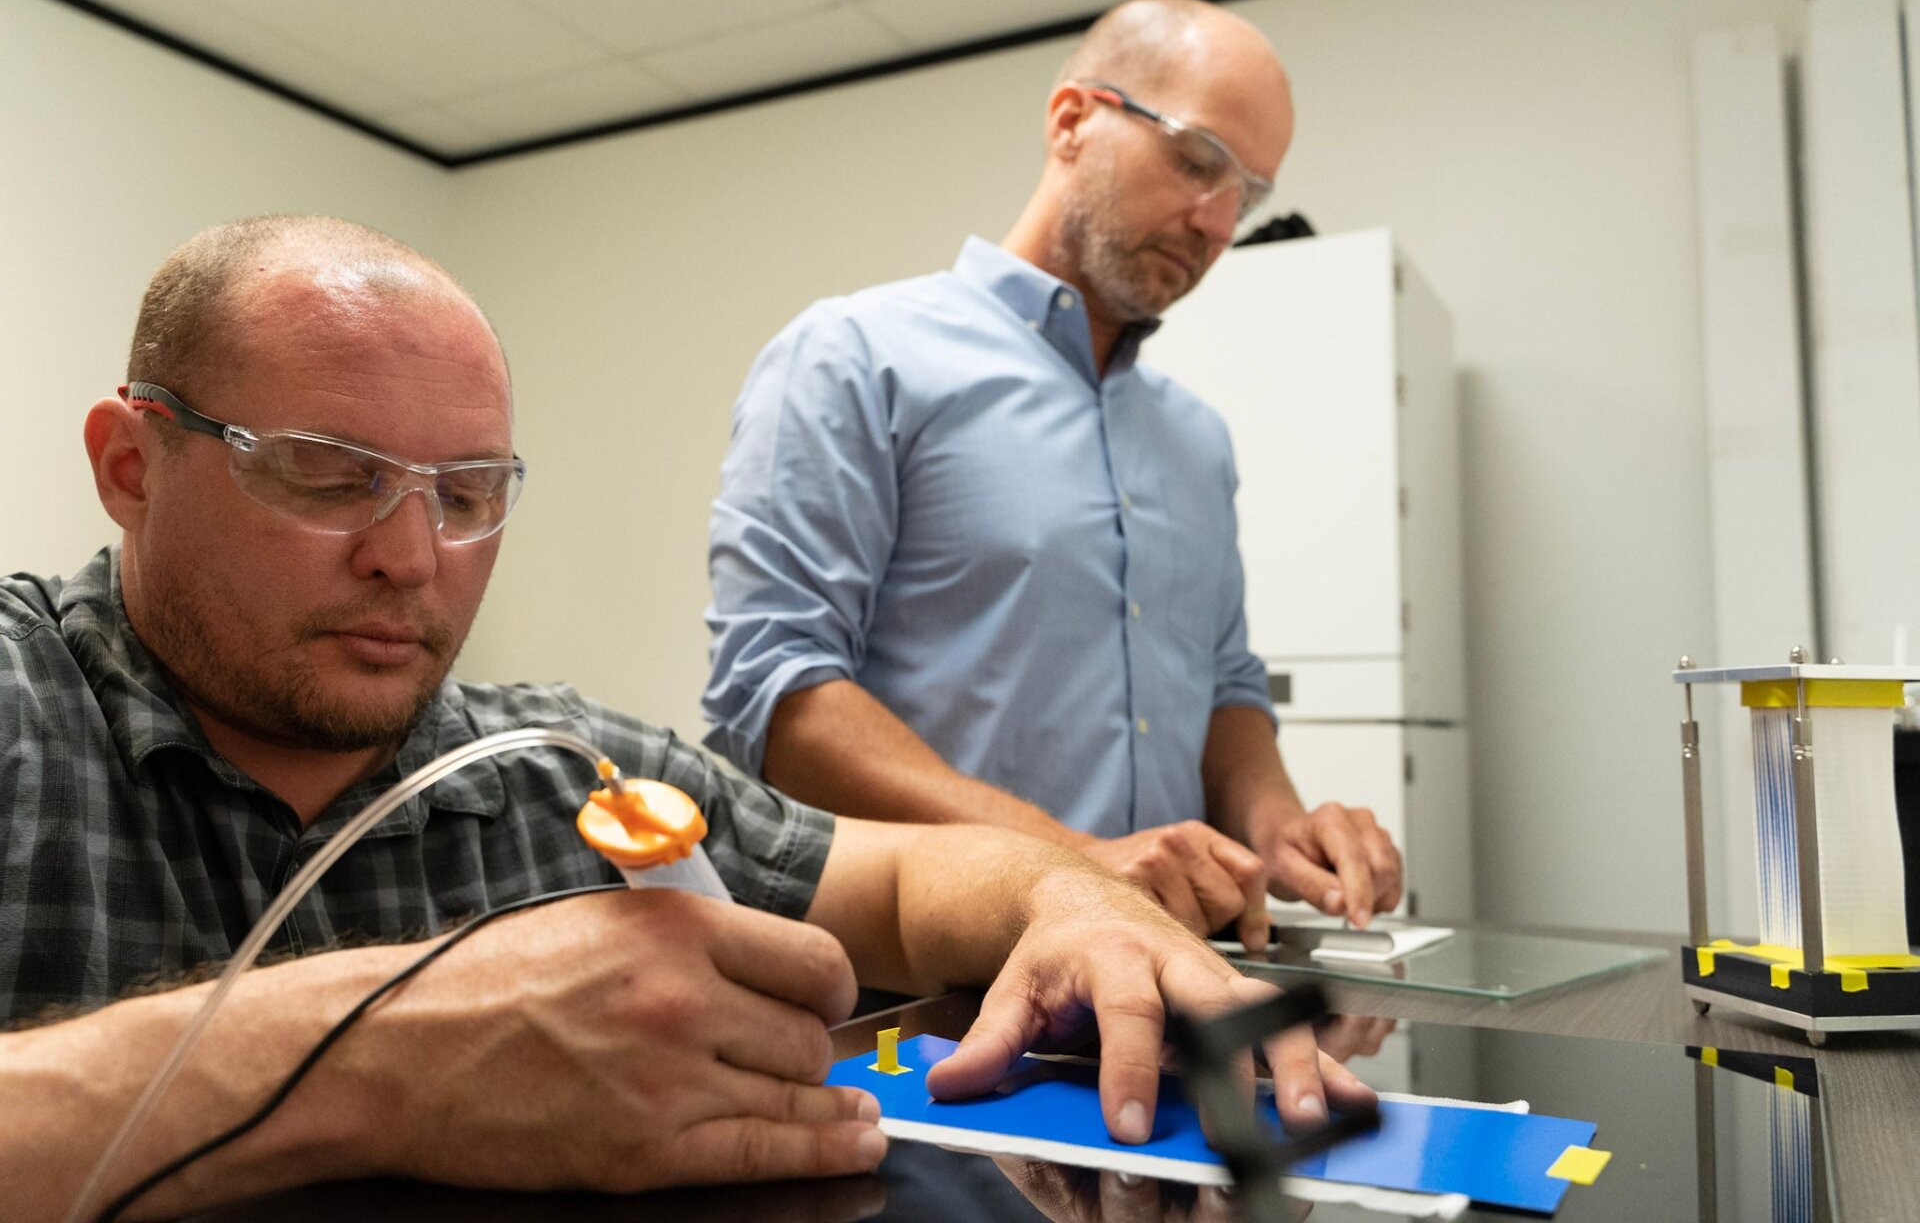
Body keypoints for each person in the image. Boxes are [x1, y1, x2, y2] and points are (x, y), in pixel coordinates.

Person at [0, 216, 1372, 1221]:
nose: (410, 559)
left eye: (467, 495)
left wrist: (1070, 899)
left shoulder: (559, 770)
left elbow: (899, 879)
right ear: (131, 464)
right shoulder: (25, 712)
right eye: (327, 475)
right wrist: (373, 1058)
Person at [704, 0, 1404, 948]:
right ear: (1073, 119)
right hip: (933, 979)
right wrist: (1072, 859)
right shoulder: (856, 357)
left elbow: (1225, 687)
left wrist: (1278, 825)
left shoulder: (1196, 439)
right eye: (1198, 160)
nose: (1218, 223)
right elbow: (778, 698)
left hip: (1170, 962)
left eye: (1247, 194)